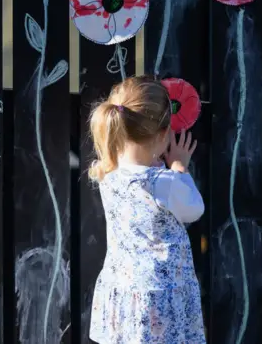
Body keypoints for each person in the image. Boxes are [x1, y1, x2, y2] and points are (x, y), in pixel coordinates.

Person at [87, 76, 206, 344]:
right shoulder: (164, 184)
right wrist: (179, 168)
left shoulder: (108, 171)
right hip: (159, 298)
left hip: (122, 289)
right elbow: (195, 209)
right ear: (165, 134)